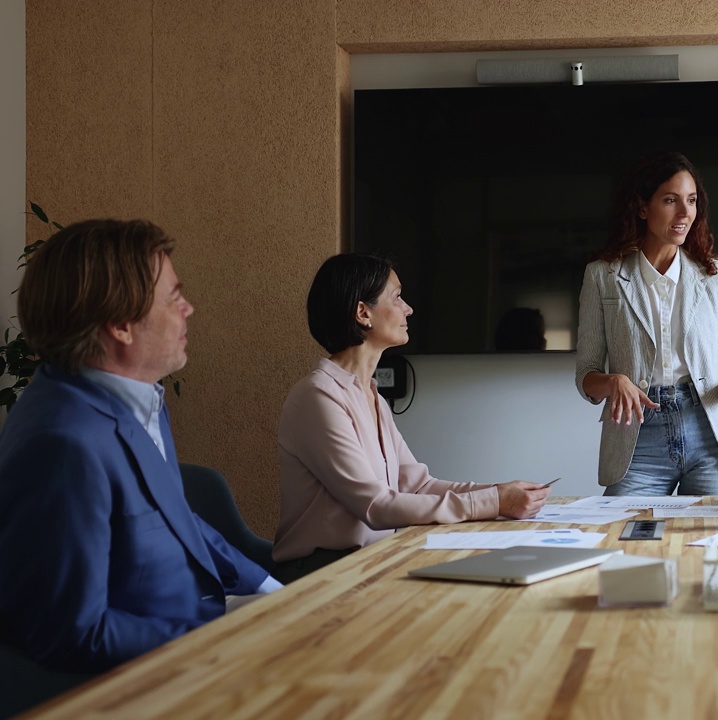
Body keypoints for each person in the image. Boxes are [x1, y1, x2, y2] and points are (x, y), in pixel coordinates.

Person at [0, 219, 279, 674]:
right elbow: (74, 634)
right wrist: (229, 635)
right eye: (174, 298)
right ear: (120, 326)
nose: (189, 309)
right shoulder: (61, 445)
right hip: (158, 682)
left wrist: (274, 594)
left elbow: (175, 519)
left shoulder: (135, 396)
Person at [274, 254, 549, 581]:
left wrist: (500, 491)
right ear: (363, 313)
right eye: (397, 297)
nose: (408, 309)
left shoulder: (371, 395)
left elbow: (418, 485)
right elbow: (376, 507)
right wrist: (494, 502)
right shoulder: (318, 396)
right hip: (320, 573)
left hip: (371, 561)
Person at [575, 151, 718, 496]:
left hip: (708, 432)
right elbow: (586, 377)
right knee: (626, 543)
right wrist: (614, 381)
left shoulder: (716, 276)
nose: (685, 213)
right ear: (642, 208)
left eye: (692, 200)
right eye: (671, 200)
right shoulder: (602, 276)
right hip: (636, 437)